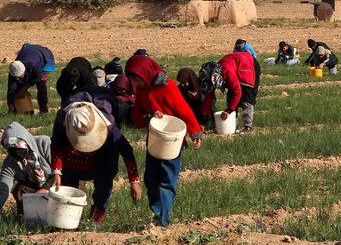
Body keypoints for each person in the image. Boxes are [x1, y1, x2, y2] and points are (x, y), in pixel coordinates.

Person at [125, 52, 203, 227]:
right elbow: (137, 114)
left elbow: (183, 110)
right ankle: (157, 212)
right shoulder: (142, 89)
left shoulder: (166, 87)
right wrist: (147, 117)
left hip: (172, 141)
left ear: (144, 74)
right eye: (133, 81)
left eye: (137, 80)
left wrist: (195, 131)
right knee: (150, 178)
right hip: (154, 140)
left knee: (166, 180)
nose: (135, 84)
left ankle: (164, 218)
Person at [51, 99, 141, 227]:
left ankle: (95, 221)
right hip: (72, 161)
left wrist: (134, 181)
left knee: (102, 191)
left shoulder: (108, 127)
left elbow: (126, 150)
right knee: (69, 191)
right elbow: (56, 146)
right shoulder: (63, 121)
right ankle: (68, 223)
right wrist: (57, 171)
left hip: (102, 160)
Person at [0, 123, 52, 215]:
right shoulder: (10, 163)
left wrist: (46, 188)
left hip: (58, 181)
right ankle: (28, 216)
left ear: (26, 142)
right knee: (19, 190)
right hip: (36, 187)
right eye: (13, 150)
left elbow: (62, 169)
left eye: (20, 149)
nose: (18, 154)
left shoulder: (44, 143)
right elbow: (3, 189)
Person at [7, 42, 55, 115]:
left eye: (20, 76)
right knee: (17, 88)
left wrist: (25, 88)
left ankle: (44, 110)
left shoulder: (34, 65)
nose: (18, 79)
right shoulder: (13, 69)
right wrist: (10, 108)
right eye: (16, 77)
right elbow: (11, 89)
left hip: (44, 55)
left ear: (24, 70)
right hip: (29, 52)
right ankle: (17, 110)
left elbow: (38, 77)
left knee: (41, 84)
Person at [219, 48, 260, 132]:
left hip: (249, 65)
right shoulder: (215, 73)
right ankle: (233, 125)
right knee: (231, 97)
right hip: (237, 65)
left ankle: (247, 126)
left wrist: (229, 110)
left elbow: (238, 92)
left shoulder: (226, 71)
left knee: (248, 96)